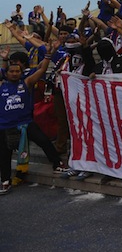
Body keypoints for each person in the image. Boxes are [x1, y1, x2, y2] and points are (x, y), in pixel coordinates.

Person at [0, 45, 70, 194]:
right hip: (5, 126)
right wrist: (5, 59)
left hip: (26, 123)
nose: (14, 73)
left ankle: (57, 163)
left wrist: (48, 56)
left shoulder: (26, 83)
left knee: (44, 141)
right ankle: (5, 180)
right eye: (11, 71)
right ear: (7, 73)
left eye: (17, 71)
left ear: (21, 73)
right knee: (4, 154)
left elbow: (42, 70)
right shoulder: (2, 85)